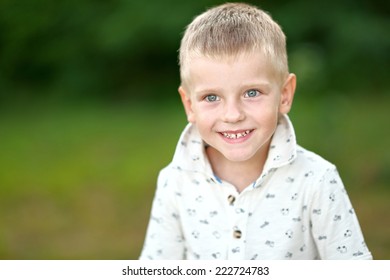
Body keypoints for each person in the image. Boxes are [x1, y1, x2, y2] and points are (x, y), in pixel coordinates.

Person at [139, 2, 372, 260]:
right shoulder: (175, 182)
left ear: (284, 95)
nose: (233, 115)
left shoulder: (316, 180)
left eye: (252, 93)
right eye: (211, 97)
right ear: (189, 104)